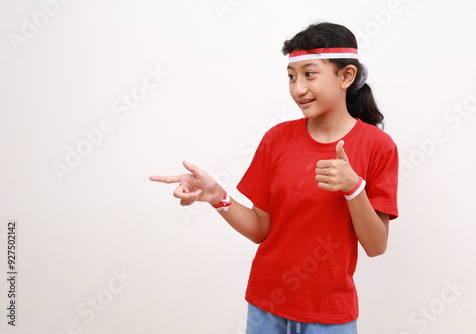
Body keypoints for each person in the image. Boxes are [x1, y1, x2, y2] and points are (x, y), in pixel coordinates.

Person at [150, 22, 398, 334]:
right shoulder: (277, 138)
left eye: (309, 74)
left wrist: (353, 188)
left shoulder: (378, 147)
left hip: (329, 312)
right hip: (266, 305)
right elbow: (260, 229)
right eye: (292, 76)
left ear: (345, 76)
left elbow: (376, 246)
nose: (298, 89)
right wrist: (217, 197)